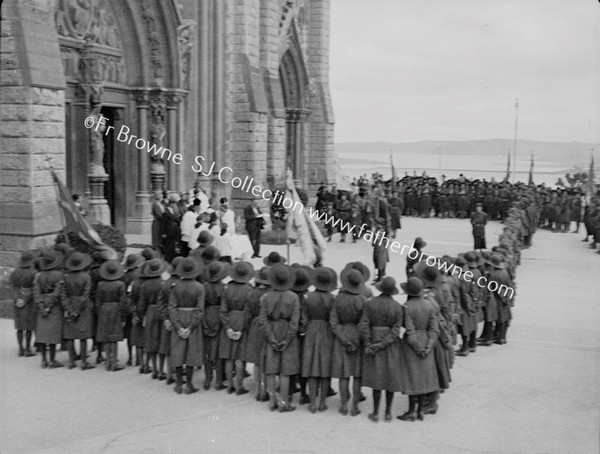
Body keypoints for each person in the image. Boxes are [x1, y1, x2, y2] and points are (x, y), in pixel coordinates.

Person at [360, 276, 404, 423]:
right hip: (390, 344)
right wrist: (383, 343)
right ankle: (388, 412)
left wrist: (369, 343)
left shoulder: (370, 304)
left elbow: (364, 324)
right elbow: (396, 330)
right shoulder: (398, 307)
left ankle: (375, 412)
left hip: (373, 339)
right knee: (390, 377)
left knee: (376, 378)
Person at [258, 265, 300, 412]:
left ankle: (272, 402)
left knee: (271, 369)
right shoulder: (293, 297)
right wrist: (287, 339)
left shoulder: (266, 297)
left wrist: (271, 338)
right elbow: (295, 322)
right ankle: (283, 403)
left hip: (272, 330)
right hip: (287, 331)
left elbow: (262, 320)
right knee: (285, 371)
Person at [398, 277, 439, 422]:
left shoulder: (407, 306)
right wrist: (428, 346)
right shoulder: (429, 305)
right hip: (427, 340)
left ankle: (411, 411)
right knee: (424, 377)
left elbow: (409, 330)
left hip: (412, 345)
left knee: (412, 378)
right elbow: (434, 328)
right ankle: (421, 410)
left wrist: (417, 347)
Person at [331, 268, 366, 416]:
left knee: (343, 374)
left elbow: (333, 322)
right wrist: (357, 340)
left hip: (342, 336)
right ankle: (355, 406)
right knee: (357, 374)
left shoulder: (337, 299)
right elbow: (364, 323)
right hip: (357, 337)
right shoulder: (362, 300)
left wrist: (344, 340)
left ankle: (344, 404)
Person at [301, 267, 337, 413]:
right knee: (325, 368)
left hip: (311, 331)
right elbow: (333, 319)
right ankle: (322, 402)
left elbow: (304, 318)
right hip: (326, 331)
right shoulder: (332, 298)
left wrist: (306, 328)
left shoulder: (308, 297)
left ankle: (312, 403)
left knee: (311, 367)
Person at [169, 257, 205, 394]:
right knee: (191, 352)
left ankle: (179, 384)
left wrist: (178, 326)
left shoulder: (175, 286)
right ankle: (189, 384)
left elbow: (171, 307)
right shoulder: (199, 287)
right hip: (192, 320)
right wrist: (190, 326)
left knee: (178, 351)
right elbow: (200, 309)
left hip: (178, 317)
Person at [219, 261, 254, 395]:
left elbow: (222, 310)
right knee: (240, 357)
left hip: (229, 319)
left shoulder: (227, 288)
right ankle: (239, 386)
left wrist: (228, 327)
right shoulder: (248, 289)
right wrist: (240, 329)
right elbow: (248, 313)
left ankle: (229, 385)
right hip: (241, 322)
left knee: (229, 356)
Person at [240, 266, 271, 401]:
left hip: (255, 325)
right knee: (267, 360)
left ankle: (258, 390)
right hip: (269, 326)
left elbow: (247, 315)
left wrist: (249, 327)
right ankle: (266, 390)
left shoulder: (252, 293)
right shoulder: (272, 294)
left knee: (257, 362)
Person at [61, 252, 95, 370]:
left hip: (70, 305)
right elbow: (86, 295)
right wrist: (77, 310)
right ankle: (84, 362)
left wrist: (70, 310)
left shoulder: (65, 277)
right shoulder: (86, 277)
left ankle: (71, 361)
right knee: (83, 335)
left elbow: (63, 295)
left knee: (70, 335)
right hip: (83, 308)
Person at [33, 251, 64, 369]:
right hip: (54, 306)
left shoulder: (39, 275)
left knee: (42, 334)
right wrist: (49, 306)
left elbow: (36, 292)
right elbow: (57, 292)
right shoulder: (59, 274)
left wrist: (41, 306)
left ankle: (44, 360)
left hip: (42, 302)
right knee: (52, 334)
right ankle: (52, 360)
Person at [95, 260, 127, 371]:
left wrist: (99, 313)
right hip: (115, 309)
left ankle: (108, 361)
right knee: (114, 337)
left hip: (104, 309)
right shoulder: (120, 284)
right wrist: (123, 316)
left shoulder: (100, 285)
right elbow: (123, 302)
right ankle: (114, 362)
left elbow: (97, 301)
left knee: (106, 337)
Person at [139, 258, 167, 378]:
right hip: (161, 311)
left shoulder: (145, 284)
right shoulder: (163, 283)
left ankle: (154, 370)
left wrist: (143, 315)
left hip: (150, 311)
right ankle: (161, 370)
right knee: (161, 341)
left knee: (151, 341)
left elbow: (141, 303)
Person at [157, 257, 183, 383]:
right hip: (179, 318)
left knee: (167, 347)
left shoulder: (165, 283)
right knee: (177, 346)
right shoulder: (181, 284)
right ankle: (175, 371)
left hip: (167, 318)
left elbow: (160, 303)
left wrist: (165, 319)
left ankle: (168, 374)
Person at [203, 261, 228, 390]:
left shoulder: (204, 286)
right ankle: (219, 381)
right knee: (218, 352)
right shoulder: (223, 287)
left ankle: (207, 380)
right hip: (218, 316)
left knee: (207, 351)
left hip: (206, 316)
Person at [10, 251, 38, 357]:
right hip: (29, 302)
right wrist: (26, 300)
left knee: (19, 327)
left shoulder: (15, 271)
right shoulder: (34, 272)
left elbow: (12, 287)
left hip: (17, 300)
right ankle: (27, 349)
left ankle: (20, 349)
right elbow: (34, 289)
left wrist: (17, 299)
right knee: (29, 327)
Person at [161, 193, 182, 262]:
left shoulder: (174, 210)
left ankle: (171, 259)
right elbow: (164, 222)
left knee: (172, 246)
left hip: (174, 230)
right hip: (169, 231)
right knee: (168, 246)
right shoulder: (167, 211)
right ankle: (168, 259)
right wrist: (163, 232)